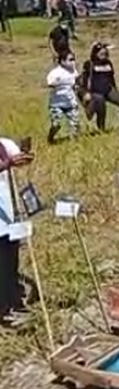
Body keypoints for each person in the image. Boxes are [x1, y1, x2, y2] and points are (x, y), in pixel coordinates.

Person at [0, 138, 34, 325]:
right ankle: (3, 310)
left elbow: (18, 162)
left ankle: (15, 301)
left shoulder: (4, 144)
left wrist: (25, 157)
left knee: (11, 263)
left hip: (7, 214)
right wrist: (7, 164)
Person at [81, 42, 119, 134]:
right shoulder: (89, 64)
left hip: (108, 89)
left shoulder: (108, 63)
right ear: (95, 53)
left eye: (105, 54)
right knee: (102, 107)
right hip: (96, 92)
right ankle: (101, 128)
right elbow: (85, 79)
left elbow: (111, 78)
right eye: (101, 54)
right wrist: (85, 92)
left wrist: (115, 89)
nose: (103, 56)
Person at [47, 50, 80, 144]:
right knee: (56, 124)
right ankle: (51, 137)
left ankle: (73, 143)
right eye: (70, 60)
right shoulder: (55, 73)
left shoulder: (74, 72)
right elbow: (50, 83)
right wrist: (56, 83)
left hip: (70, 102)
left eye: (73, 59)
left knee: (75, 124)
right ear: (62, 61)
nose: (73, 62)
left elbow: (75, 84)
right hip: (57, 104)